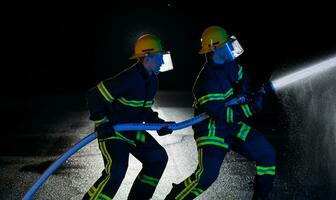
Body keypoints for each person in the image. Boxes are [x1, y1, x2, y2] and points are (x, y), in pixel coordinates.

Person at [164, 26, 276, 200]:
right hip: (211, 130)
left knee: (267, 154)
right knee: (206, 177)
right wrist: (252, 107)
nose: (231, 47)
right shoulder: (206, 81)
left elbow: (243, 79)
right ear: (214, 48)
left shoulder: (230, 65)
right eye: (226, 44)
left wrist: (250, 91)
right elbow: (222, 116)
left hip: (232, 126)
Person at [83, 34, 175, 200]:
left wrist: (158, 124)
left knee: (158, 158)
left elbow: (144, 110)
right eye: (160, 56)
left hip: (131, 130)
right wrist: (102, 123)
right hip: (114, 131)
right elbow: (94, 96)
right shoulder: (129, 78)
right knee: (116, 171)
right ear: (147, 57)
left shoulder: (152, 80)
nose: (162, 61)